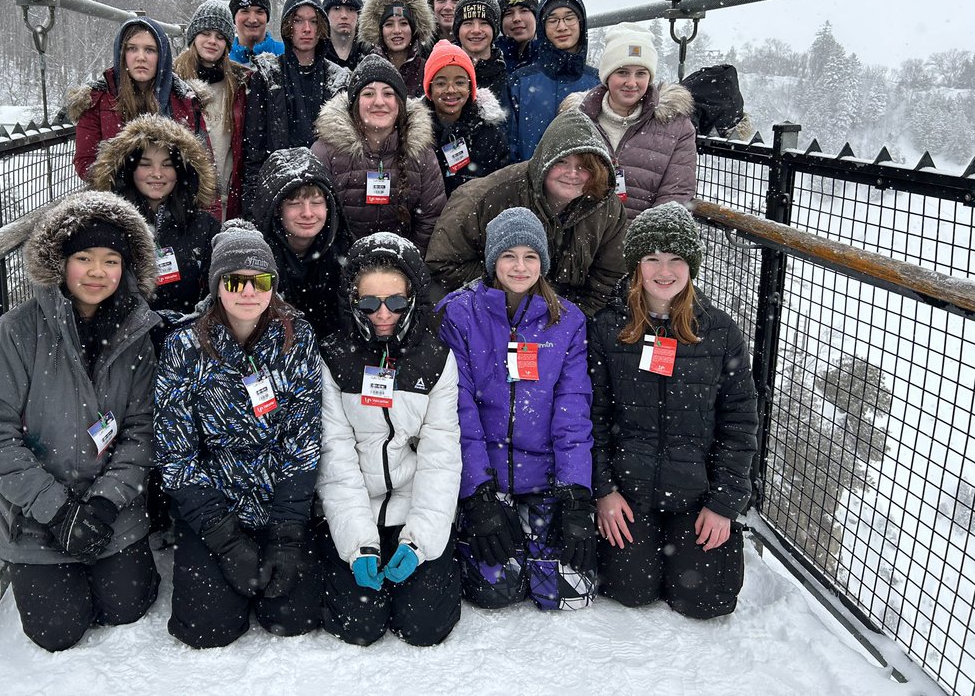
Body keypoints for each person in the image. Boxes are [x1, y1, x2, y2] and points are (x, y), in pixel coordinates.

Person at [0, 192, 161, 651]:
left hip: (111, 508)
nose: (97, 272)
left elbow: (142, 428)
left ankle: (106, 559)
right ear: (59, 263)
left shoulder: (137, 333)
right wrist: (55, 509)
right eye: (84, 258)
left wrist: (106, 502)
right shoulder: (16, 332)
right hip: (35, 514)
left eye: (111, 260)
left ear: (126, 268)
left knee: (126, 606)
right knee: (58, 631)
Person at [154, 220, 323, 648]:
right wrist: (225, 540)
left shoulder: (297, 339)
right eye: (235, 280)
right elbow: (176, 454)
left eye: (260, 280)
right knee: (207, 630)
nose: (248, 292)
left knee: (294, 616)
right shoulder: (184, 347)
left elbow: (302, 442)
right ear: (216, 286)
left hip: (277, 503)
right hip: (215, 508)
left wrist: (287, 534)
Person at [589, 202, 759, 619]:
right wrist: (604, 491)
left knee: (706, 600)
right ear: (636, 265)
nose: (664, 271)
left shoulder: (719, 332)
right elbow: (590, 417)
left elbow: (740, 423)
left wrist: (723, 503)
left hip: (694, 495)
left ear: (692, 265)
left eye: (676, 259)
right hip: (628, 493)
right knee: (631, 590)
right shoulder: (609, 327)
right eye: (652, 259)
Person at [437, 207, 596, 611]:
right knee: (497, 591)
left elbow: (572, 411)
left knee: (566, 594)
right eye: (509, 255)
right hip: (486, 482)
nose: (520, 266)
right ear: (493, 260)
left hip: (542, 480)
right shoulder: (459, 313)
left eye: (530, 256)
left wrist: (575, 495)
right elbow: (460, 410)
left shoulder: (567, 321)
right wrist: (476, 494)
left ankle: (534, 530)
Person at [317, 232, 462, 646]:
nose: (383, 314)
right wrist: (356, 543)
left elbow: (441, 458)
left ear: (412, 298)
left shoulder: (436, 361)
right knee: (358, 627)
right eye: (369, 303)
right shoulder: (334, 358)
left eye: (395, 302)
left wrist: (420, 541)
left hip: (412, 508)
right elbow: (336, 457)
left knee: (425, 628)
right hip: (356, 505)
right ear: (352, 301)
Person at [426, 109, 628, 319]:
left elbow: (610, 278)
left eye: (583, 166)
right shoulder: (484, 198)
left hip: (568, 319)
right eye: (562, 162)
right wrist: (513, 295)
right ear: (544, 160)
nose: (572, 173)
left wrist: (570, 322)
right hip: (487, 314)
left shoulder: (606, 207)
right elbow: (443, 265)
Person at [87, 114, 220, 316]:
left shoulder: (204, 226)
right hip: (125, 337)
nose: (157, 173)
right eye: (145, 164)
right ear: (129, 169)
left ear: (181, 170)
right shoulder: (107, 225)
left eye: (167, 165)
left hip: (187, 333)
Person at [562, 21, 697, 219]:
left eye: (641, 73)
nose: (631, 83)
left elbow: (675, 193)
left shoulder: (675, 126)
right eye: (622, 72)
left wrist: (643, 241)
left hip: (641, 241)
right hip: (584, 240)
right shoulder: (577, 119)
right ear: (607, 76)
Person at [311, 54, 446, 252]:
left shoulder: (421, 153)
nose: (379, 102)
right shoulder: (325, 151)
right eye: (368, 94)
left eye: (388, 94)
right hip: (340, 268)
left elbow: (430, 220)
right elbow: (319, 222)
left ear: (400, 104)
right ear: (355, 103)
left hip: (403, 267)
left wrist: (406, 266)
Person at [243, 0, 350, 213]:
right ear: (287, 26)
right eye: (298, 20)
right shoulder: (267, 76)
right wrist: (253, 208)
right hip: (277, 189)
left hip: (324, 193)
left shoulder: (338, 80)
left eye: (313, 21)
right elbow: (254, 150)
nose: (307, 29)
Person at [69, 17, 202, 179]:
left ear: (162, 55)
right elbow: (85, 163)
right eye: (132, 48)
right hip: (118, 198)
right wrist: (129, 180)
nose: (141, 57)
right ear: (122, 53)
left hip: (174, 199)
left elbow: (202, 165)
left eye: (150, 50)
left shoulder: (185, 99)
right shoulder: (96, 100)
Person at [250, 146, 352, 337]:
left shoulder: (343, 252)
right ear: (276, 209)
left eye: (316, 202)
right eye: (294, 204)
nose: (307, 213)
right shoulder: (255, 259)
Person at [174, 0, 250, 219]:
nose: (212, 41)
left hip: (226, 196)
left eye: (220, 37)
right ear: (193, 36)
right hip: (184, 198)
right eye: (205, 33)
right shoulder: (173, 82)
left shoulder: (239, 85)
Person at [504, 0, 600, 162]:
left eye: (569, 18)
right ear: (543, 27)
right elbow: (510, 147)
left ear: (581, 23)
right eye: (553, 20)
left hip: (585, 184)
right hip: (529, 184)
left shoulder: (598, 83)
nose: (562, 27)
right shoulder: (521, 82)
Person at [421, 39, 508, 196]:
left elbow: (501, 190)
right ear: (430, 89)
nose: (451, 89)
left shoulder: (489, 134)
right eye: (441, 83)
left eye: (460, 82)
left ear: (470, 88)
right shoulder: (415, 136)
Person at [357, 0, 435, 97]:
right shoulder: (365, 69)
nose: (397, 30)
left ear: (413, 29)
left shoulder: (427, 69)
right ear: (379, 31)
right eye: (389, 24)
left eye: (403, 23)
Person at [453, 0, 509, 106]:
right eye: (468, 23)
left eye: (484, 23)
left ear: (494, 30)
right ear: (458, 31)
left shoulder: (509, 76)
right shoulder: (441, 71)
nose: (476, 30)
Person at [228, 0, 284, 66]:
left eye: (259, 12)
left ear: (267, 17)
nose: (252, 20)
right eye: (245, 11)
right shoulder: (222, 57)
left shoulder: (286, 53)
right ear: (234, 17)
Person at [322, 0, 371, 71]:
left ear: (359, 15)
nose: (344, 15)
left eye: (350, 9)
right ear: (327, 14)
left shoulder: (371, 54)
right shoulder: (315, 53)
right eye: (336, 9)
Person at [494, 0, 540, 76]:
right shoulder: (490, 60)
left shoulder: (551, 59)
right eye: (508, 13)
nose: (516, 18)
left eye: (524, 11)